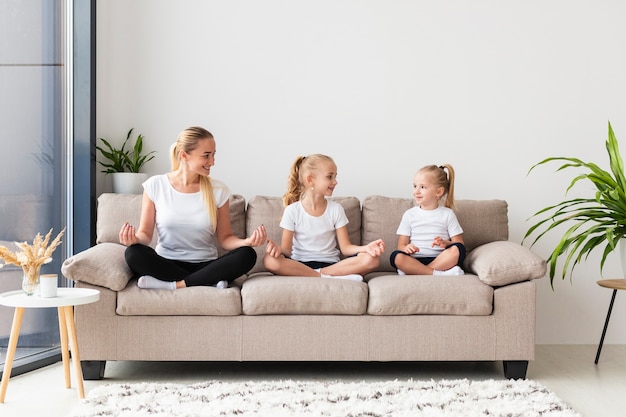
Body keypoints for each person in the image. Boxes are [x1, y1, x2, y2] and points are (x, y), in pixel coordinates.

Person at [119, 126, 267, 290]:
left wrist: (246, 242)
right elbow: (145, 235)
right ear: (184, 155)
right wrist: (134, 240)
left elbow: (225, 239)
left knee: (247, 254)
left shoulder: (219, 190)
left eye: (213, 155)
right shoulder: (156, 185)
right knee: (133, 253)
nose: (212, 162)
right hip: (167, 263)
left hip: (205, 264)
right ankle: (206, 281)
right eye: (206, 156)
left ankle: (176, 284)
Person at [264, 154, 385, 281]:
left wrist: (366, 248)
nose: (335, 181)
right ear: (310, 180)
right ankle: (327, 277)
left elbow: (346, 248)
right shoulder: (292, 210)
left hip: (331, 264)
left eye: (335, 177)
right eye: (329, 177)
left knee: (372, 259)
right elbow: (286, 250)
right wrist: (278, 249)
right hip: (299, 264)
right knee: (269, 260)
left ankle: (319, 274)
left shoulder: (336, 209)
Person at [390, 164, 466, 276]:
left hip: (441, 260)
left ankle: (416, 272)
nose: (416, 191)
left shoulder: (448, 214)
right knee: (396, 256)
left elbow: (459, 243)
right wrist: (407, 248)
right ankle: (437, 274)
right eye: (415, 186)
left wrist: (446, 243)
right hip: (415, 260)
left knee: (458, 249)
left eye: (423, 187)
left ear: (439, 192)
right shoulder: (409, 214)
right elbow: (401, 245)